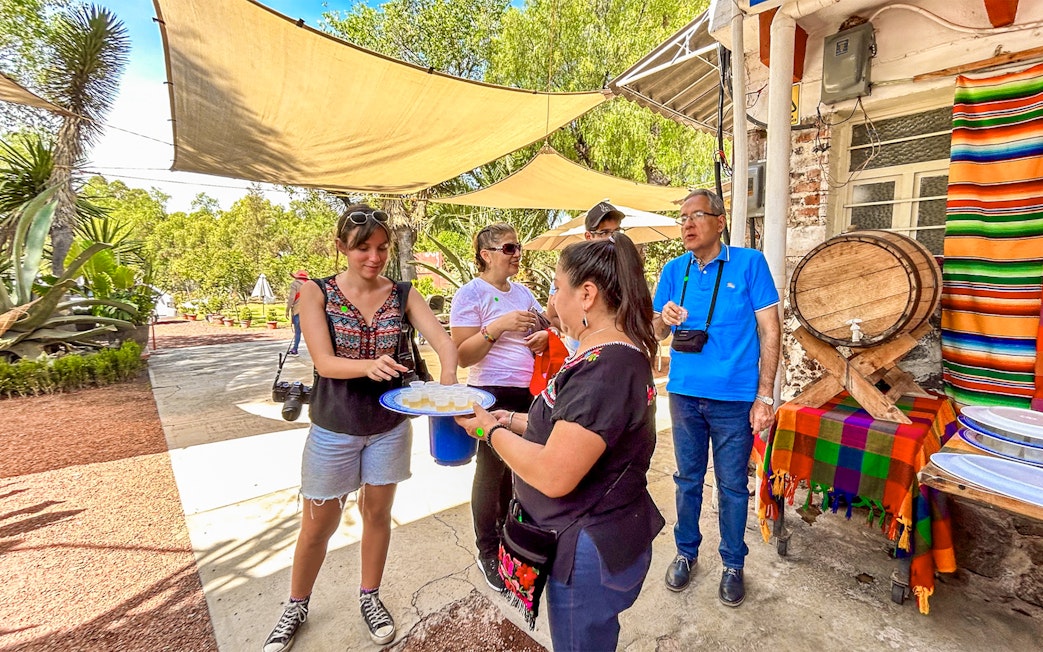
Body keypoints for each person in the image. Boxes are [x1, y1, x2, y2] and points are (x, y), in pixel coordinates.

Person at [262, 204, 459, 652]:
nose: (374, 257)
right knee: (319, 523)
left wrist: (448, 386)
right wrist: (370, 365)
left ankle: (369, 596)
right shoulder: (316, 293)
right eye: (362, 248)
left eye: (382, 248)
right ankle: (296, 604)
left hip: (389, 425)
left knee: (376, 515)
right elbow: (324, 362)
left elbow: (444, 343)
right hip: (335, 427)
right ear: (341, 248)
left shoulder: (404, 293)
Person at [456, 233, 664, 651]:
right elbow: (568, 428)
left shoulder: (605, 368)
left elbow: (554, 474)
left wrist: (490, 431)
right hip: (590, 536)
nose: (551, 302)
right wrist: (512, 420)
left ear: (586, 294)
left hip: (587, 546)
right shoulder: (601, 355)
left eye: (555, 287)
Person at [652, 188, 781, 608]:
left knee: (731, 486)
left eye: (696, 216)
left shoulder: (749, 264)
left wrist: (764, 396)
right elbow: (655, 331)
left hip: (734, 399)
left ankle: (732, 564)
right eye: (682, 218)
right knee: (686, 480)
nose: (687, 225)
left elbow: (770, 330)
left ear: (720, 221)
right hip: (685, 396)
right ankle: (686, 553)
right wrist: (663, 319)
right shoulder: (674, 270)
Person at [449, 223, 548, 592]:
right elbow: (462, 355)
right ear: (486, 254)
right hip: (488, 391)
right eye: (508, 248)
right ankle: (486, 548)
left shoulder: (522, 293)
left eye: (518, 247)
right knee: (491, 471)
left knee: (519, 469)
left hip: (527, 391)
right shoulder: (469, 294)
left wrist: (543, 333)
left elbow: (547, 324)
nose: (517, 254)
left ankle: (511, 539)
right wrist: (497, 326)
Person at [547, 201, 625, 353]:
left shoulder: (626, 270)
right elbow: (552, 315)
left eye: (616, 232)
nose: (611, 238)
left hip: (618, 353)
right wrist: (581, 332)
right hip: (581, 354)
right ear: (588, 236)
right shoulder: (571, 272)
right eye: (604, 233)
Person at [286, 270, 309, 355]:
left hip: (298, 310)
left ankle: (295, 349)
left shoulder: (295, 284)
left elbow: (292, 298)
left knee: (298, 331)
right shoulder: (310, 284)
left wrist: (287, 310)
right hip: (309, 311)